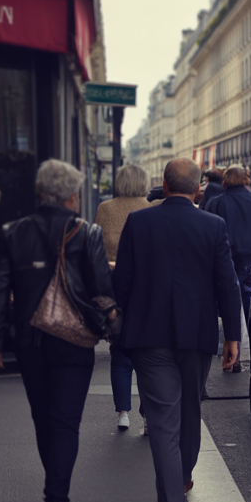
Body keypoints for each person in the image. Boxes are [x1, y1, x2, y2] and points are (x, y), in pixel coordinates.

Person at [113, 158, 242, 502]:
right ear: (197, 189)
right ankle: (183, 476)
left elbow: (123, 282)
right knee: (190, 412)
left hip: (149, 337)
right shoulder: (212, 225)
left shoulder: (139, 222)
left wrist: (125, 321)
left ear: (164, 186)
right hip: (197, 337)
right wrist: (232, 337)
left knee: (163, 424)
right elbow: (227, 284)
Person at [0, 160, 116, 502]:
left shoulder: (12, 233)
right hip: (74, 341)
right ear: (71, 195)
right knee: (65, 424)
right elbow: (101, 290)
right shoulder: (87, 232)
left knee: (43, 420)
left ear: (40, 193)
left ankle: (54, 491)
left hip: (29, 342)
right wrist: (116, 330)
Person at [95, 163, 152, 432]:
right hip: (145, 289)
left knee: (119, 352)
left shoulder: (105, 209)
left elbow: (95, 250)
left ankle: (122, 413)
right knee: (146, 355)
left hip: (113, 288)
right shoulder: (151, 209)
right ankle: (147, 415)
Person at [204, 165, 251, 365]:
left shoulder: (216, 202)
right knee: (247, 299)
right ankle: (250, 350)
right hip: (250, 260)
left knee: (225, 300)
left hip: (225, 258)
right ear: (246, 180)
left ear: (225, 182)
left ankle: (229, 349)